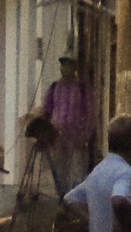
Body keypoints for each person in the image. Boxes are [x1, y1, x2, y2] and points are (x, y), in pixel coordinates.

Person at [35, 56, 98, 188]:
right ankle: (62, 201)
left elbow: (91, 115)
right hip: (57, 137)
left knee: (77, 173)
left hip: (77, 138)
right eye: (63, 65)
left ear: (75, 68)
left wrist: (84, 137)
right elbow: (47, 110)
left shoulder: (82, 88)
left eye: (69, 65)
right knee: (59, 172)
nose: (66, 68)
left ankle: (74, 203)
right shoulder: (54, 87)